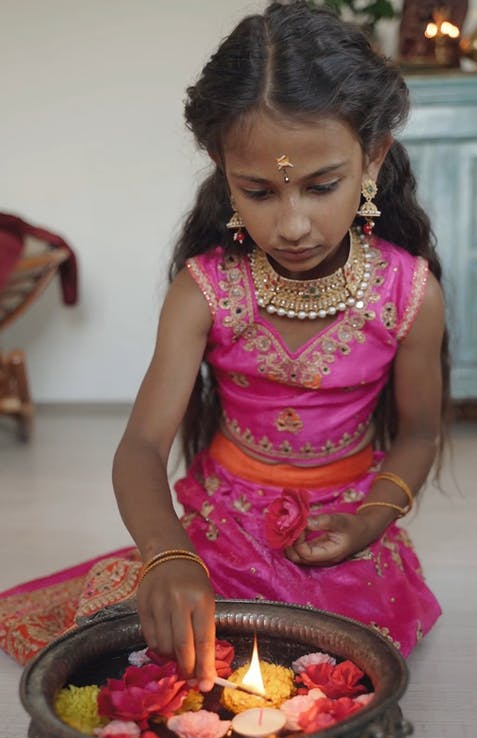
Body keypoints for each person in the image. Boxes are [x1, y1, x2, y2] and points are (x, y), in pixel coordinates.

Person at [0, 1, 447, 677]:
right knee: (175, 646)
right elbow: (143, 448)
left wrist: (370, 521)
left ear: (373, 158)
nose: (293, 224)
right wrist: (168, 553)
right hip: (223, 532)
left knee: (337, 665)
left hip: (346, 535)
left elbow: (418, 435)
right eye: (260, 192)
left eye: (322, 186)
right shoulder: (204, 291)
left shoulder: (408, 291)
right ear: (222, 169)